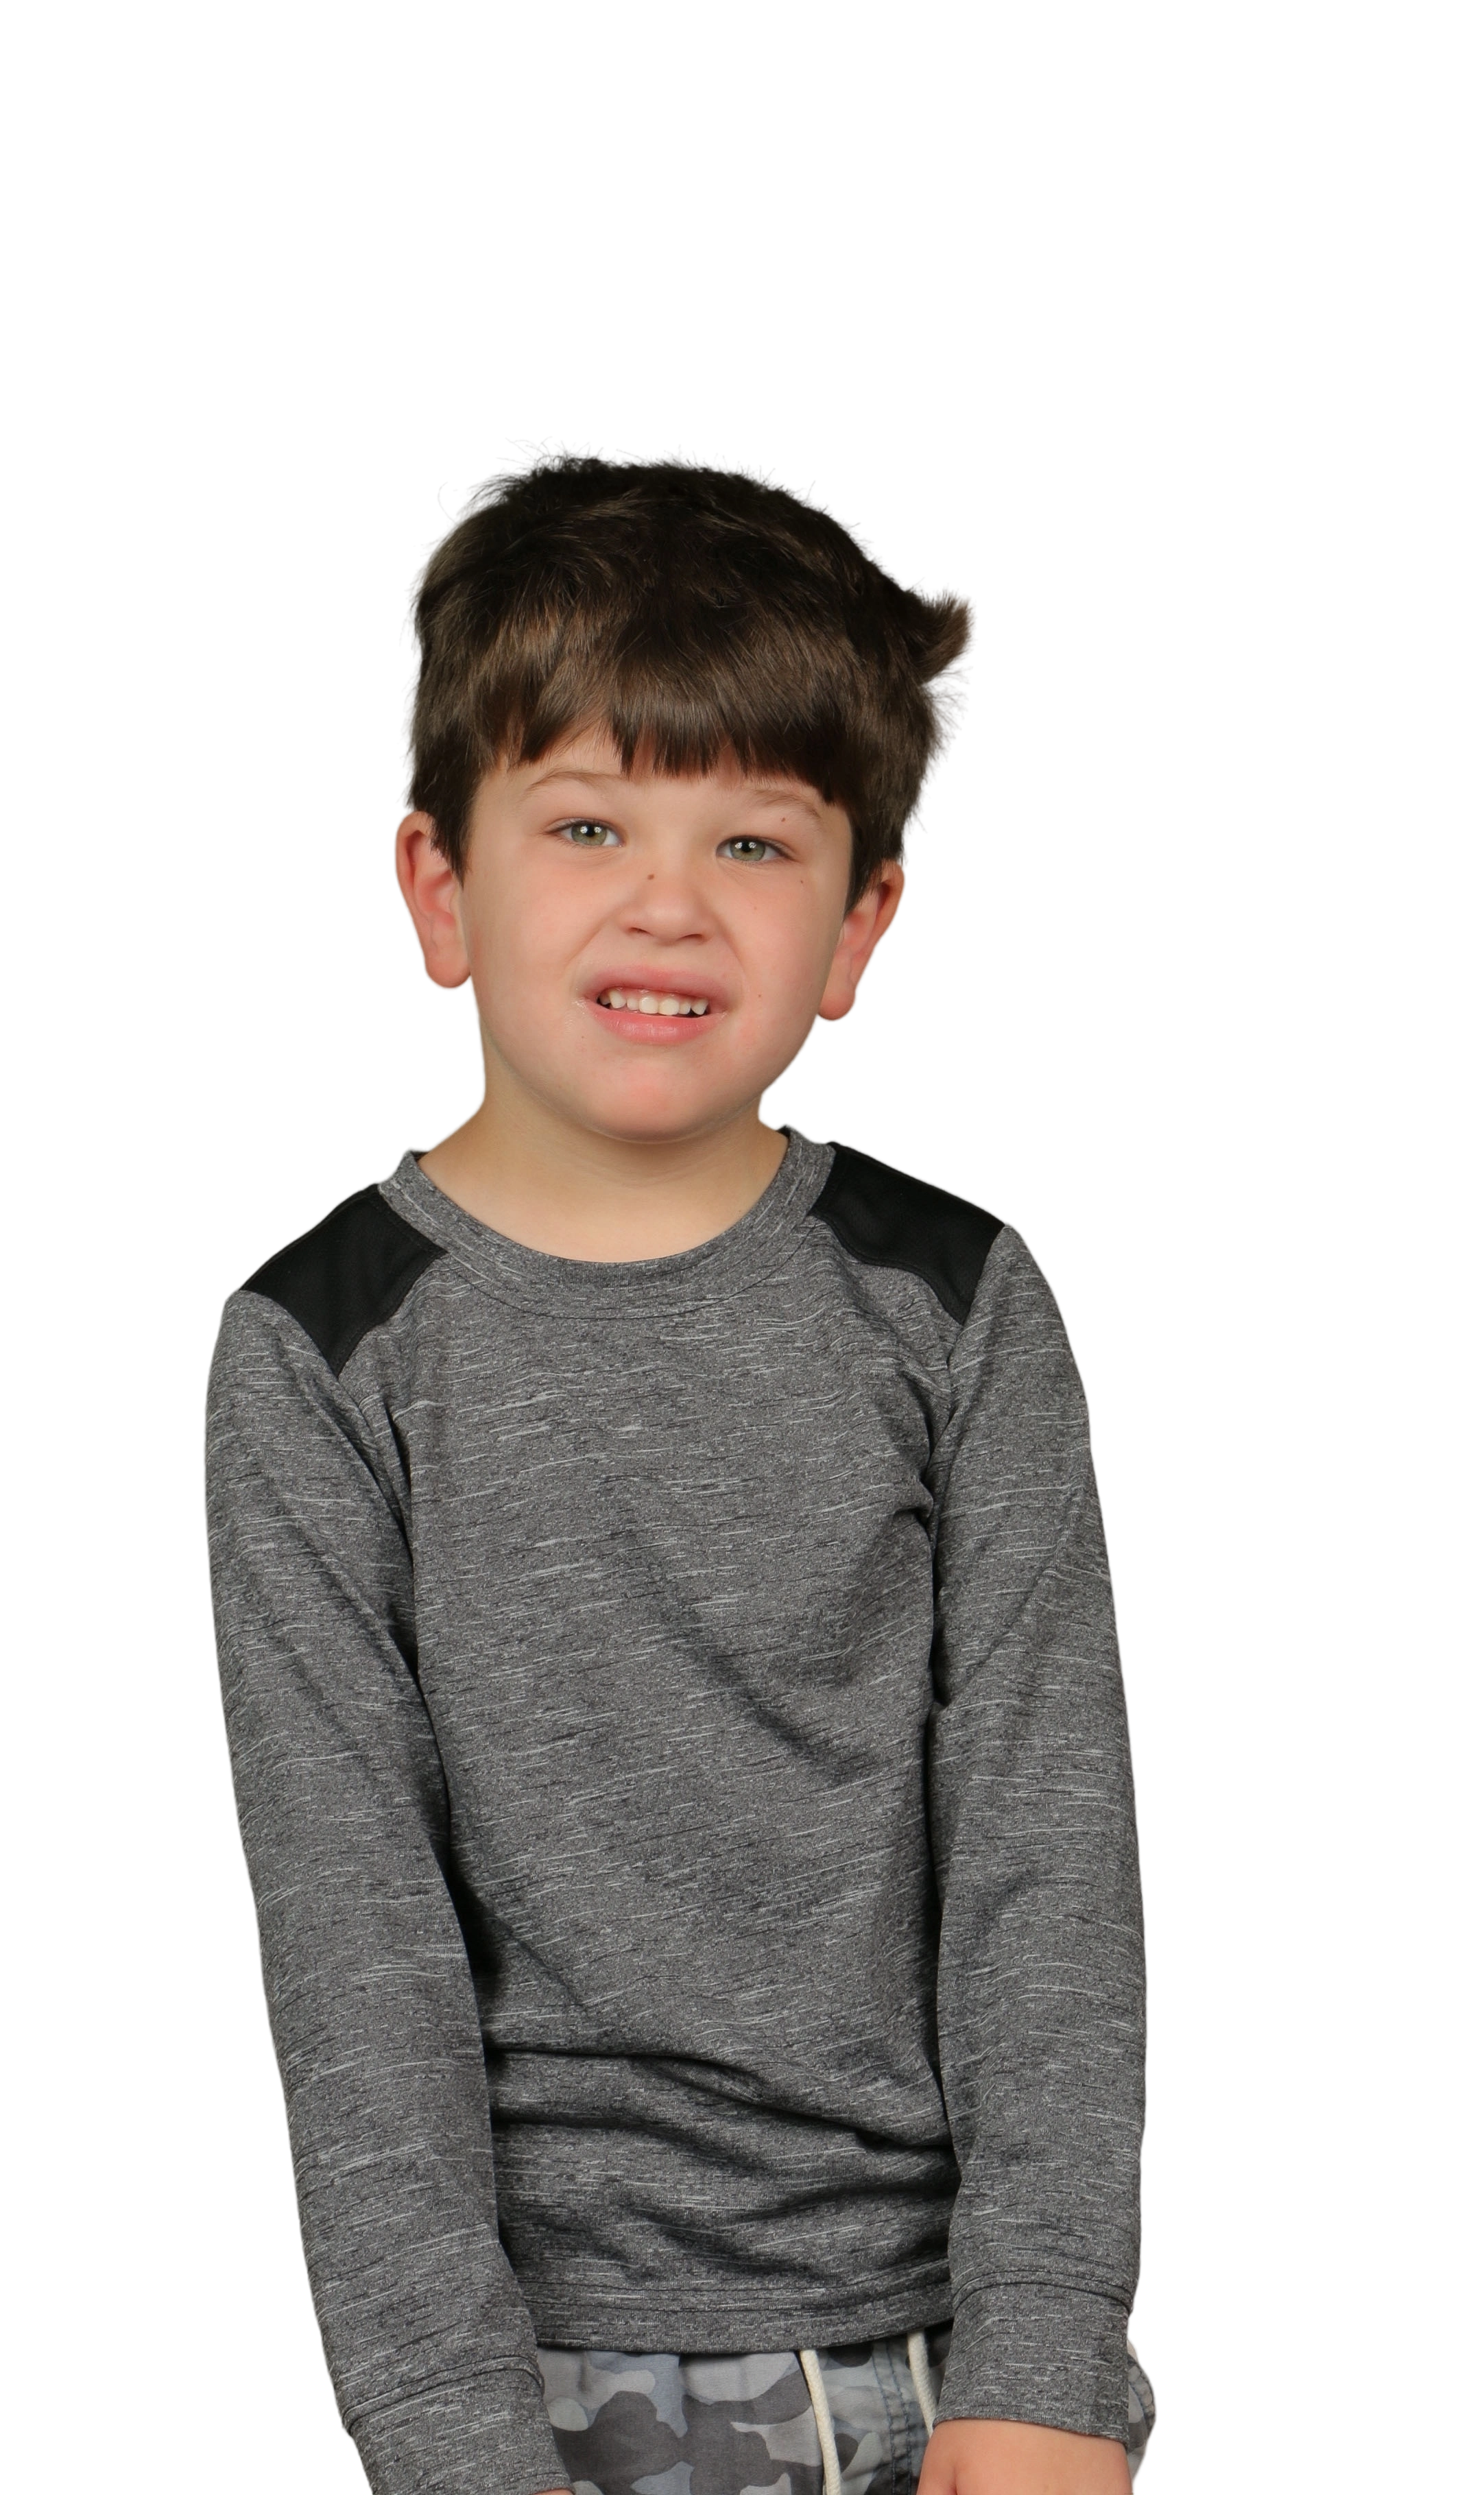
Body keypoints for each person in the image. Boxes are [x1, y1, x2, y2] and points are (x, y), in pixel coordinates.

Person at [200, 435, 1157, 2495]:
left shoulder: (957, 1301)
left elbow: (1047, 1859)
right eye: (585, 822)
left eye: (752, 840)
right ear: (441, 889)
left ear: (860, 924)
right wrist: (458, 2448)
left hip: (952, 2371)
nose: (668, 900)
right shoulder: (319, 1352)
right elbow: (356, 1954)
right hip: (530, 2398)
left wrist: (1053, 2363)